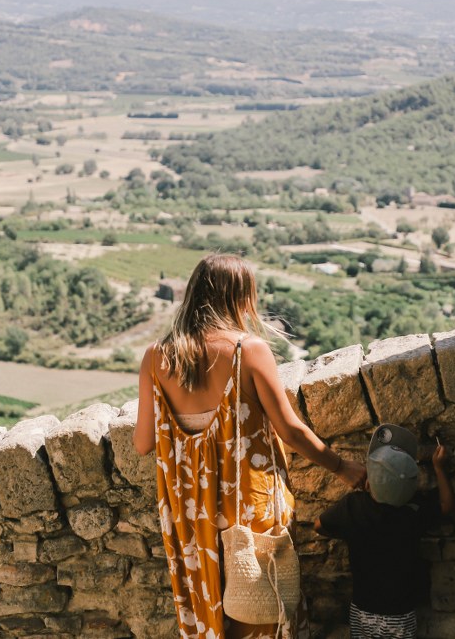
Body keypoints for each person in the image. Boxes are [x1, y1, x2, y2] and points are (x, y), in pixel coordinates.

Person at [134, 253, 367, 639]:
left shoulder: (157, 358)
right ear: (241, 298)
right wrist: (343, 468)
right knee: (260, 604)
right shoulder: (248, 350)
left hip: (191, 512)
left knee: (212, 604)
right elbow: (290, 430)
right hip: (248, 502)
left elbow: (143, 442)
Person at [314, 423, 454, 639]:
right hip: (401, 612)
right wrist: (439, 468)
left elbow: (319, 526)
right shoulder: (414, 511)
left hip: (363, 609)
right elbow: (446, 505)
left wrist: (350, 529)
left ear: (369, 483)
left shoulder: (353, 507)